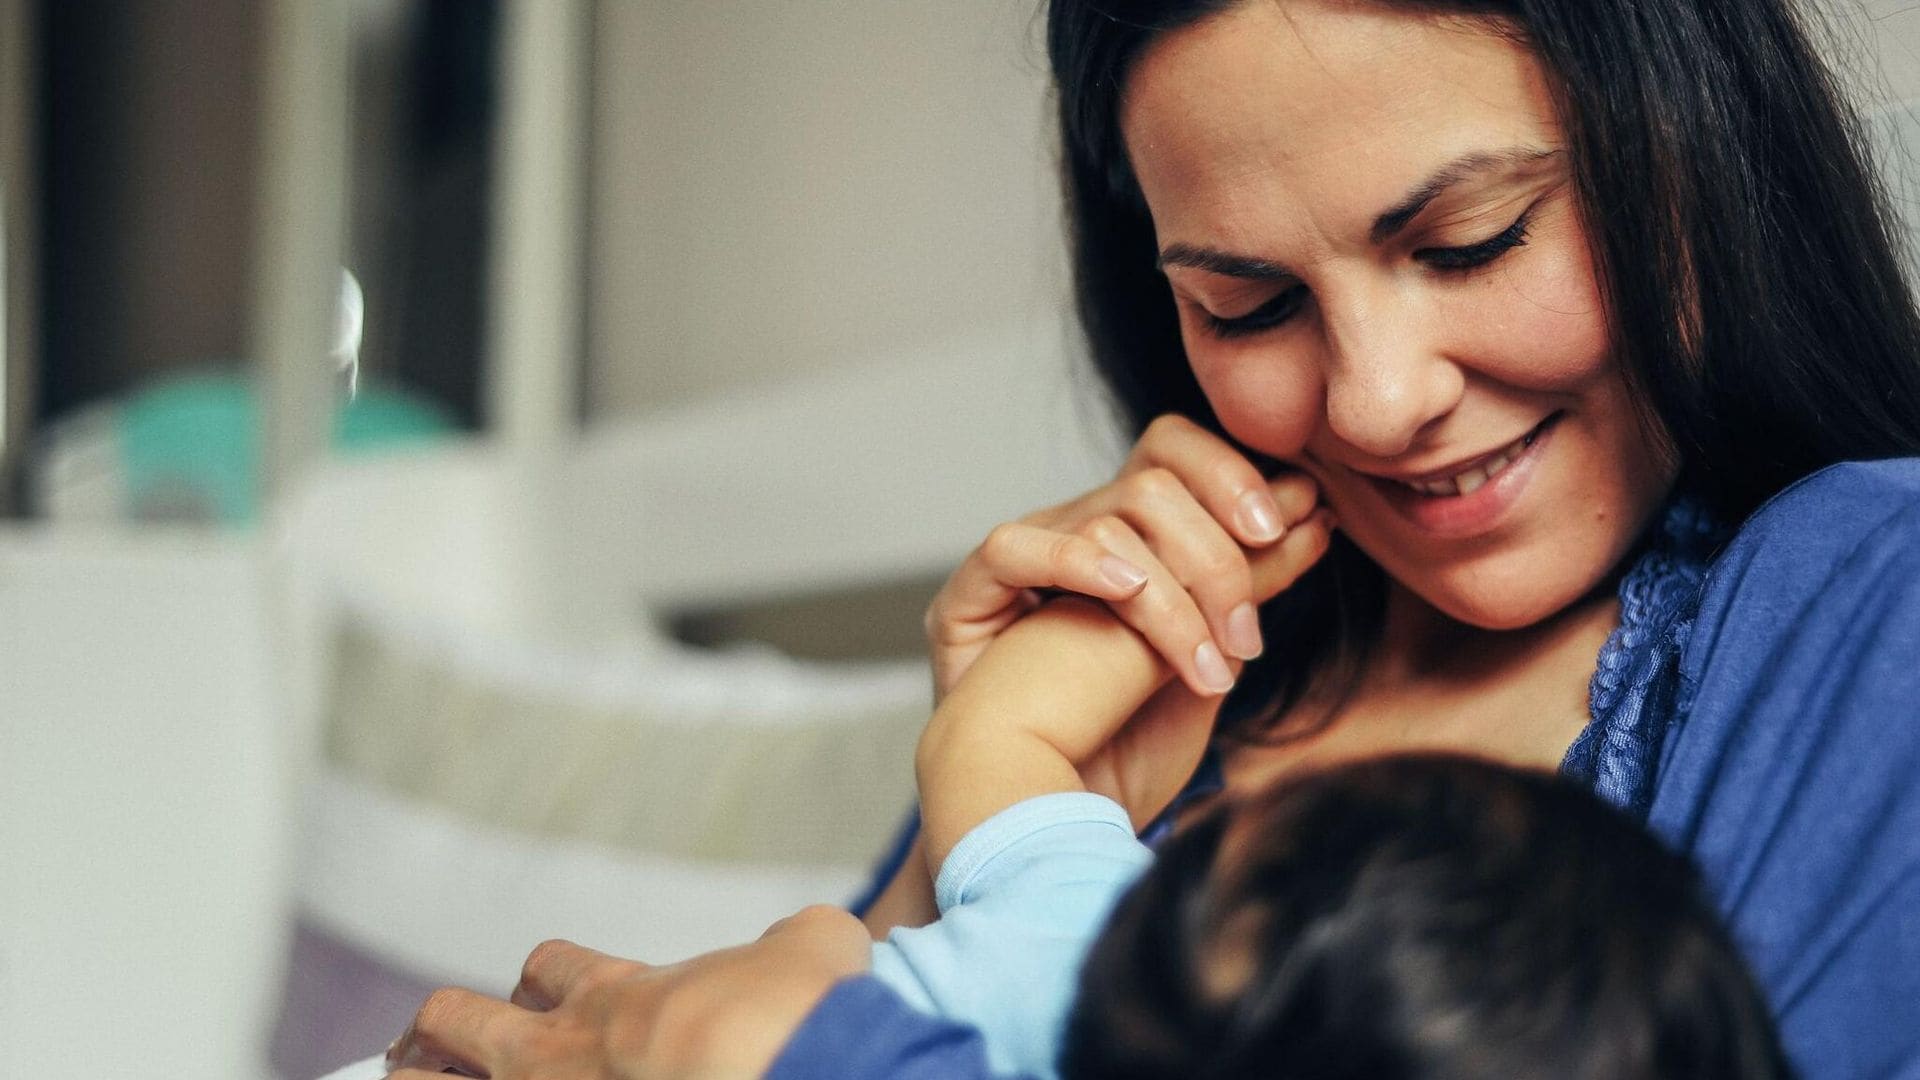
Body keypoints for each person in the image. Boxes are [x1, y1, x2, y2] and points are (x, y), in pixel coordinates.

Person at [380, 0, 1920, 1074]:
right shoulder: (1171, 703)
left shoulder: (1872, 597)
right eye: (1247, 304)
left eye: (1470, 241)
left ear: (1695, 146)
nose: (1379, 404)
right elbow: (899, 1009)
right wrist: (984, 813)